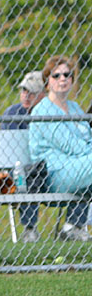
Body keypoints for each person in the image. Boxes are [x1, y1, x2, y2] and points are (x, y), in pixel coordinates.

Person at [29, 55, 92, 242]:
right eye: (56, 76)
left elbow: (88, 138)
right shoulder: (42, 111)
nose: (63, 79)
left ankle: (72, 226)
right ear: (47, 81)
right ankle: (73, 225)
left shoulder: (74, 108)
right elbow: (71, 145)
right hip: (54, 173)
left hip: (80, 167)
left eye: (67, 74)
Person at [2, 70, 46, 243]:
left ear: (43, 94)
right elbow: (4, 150)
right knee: (28, 174)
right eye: (23, 91)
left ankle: (74, 227)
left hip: (46, 167)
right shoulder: (12, 113)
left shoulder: (49, 112)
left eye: (32, 92)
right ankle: (30, 229)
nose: (26, 96)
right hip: (20, 170)